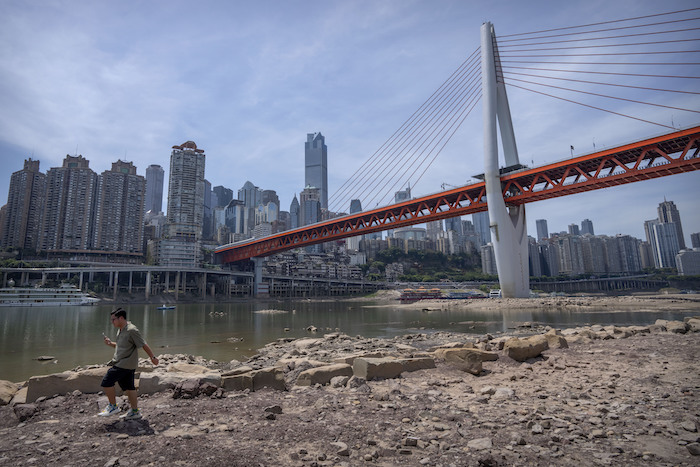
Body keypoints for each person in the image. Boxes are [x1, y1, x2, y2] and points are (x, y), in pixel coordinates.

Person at [98, 307, 159, 420]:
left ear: (121, 318)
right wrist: (110, 343)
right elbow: (122, 346)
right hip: (125, 363)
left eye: (113, 319)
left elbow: (143, 344)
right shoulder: (121, 329)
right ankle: (135, 412)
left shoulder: (132, 330)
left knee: (107, 382)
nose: (112, 322)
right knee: (129, 388)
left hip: (124, 364)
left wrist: (152, 357)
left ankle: (113, 406)